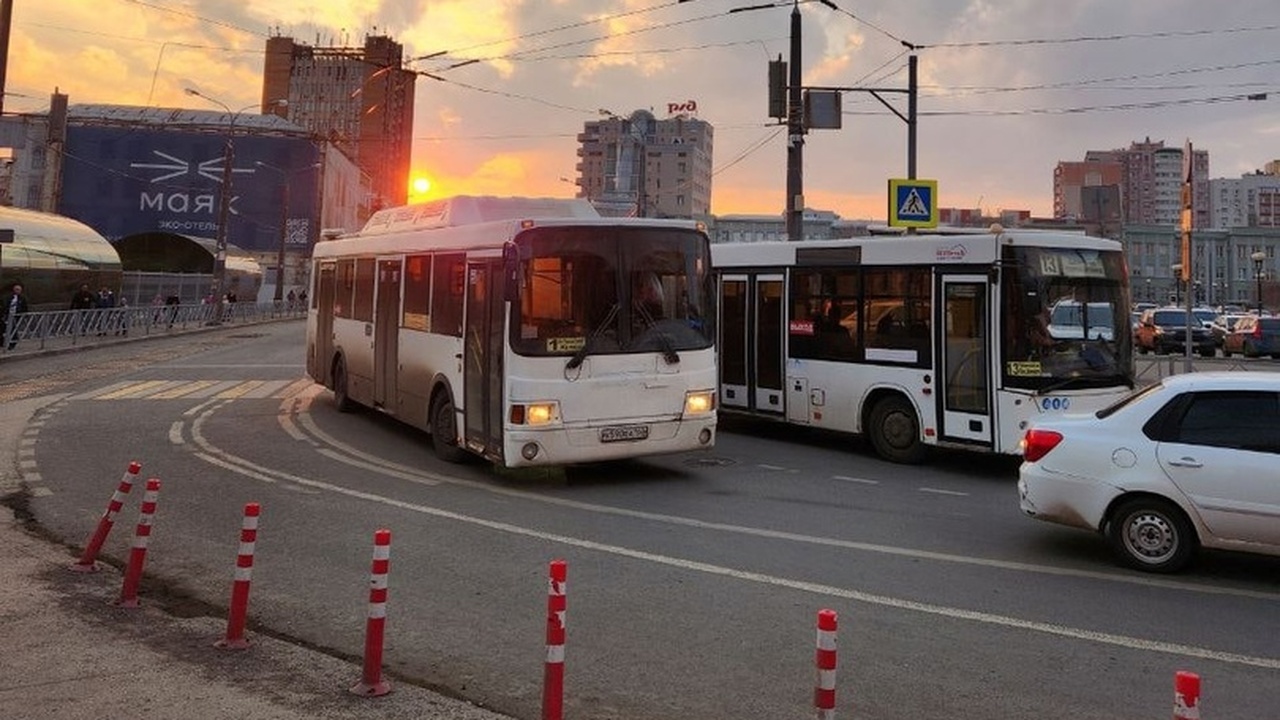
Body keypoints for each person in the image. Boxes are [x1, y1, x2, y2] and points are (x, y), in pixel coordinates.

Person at [4, 282, 29, 350]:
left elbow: (25, 307)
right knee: (7, 329)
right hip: (9, 315)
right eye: (16, 289)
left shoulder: (22, 298)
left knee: (13, 329)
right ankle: (7, 342)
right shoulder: (9, 297)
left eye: (19, 290)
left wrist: (25, 315)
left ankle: (12, 343)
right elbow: (6, 305)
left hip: (17, 315)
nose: (17, 291)